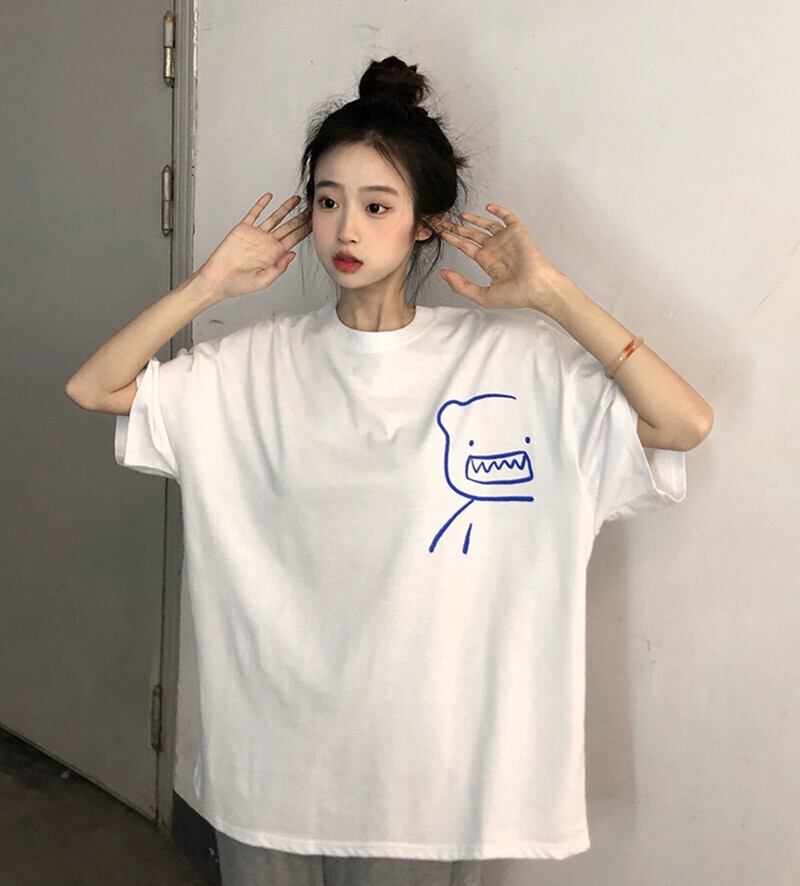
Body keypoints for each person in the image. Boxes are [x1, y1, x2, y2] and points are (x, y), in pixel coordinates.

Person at [65, 56, 712, 886]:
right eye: (327, 201)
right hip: (274, 765)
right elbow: (95, 388)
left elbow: (682, 423)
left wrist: (551, 293)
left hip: (433, 781)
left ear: (424, 224)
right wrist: (207, 286)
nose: (346, 230)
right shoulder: (251, 367)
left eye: (377, 206)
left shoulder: (512, 365)